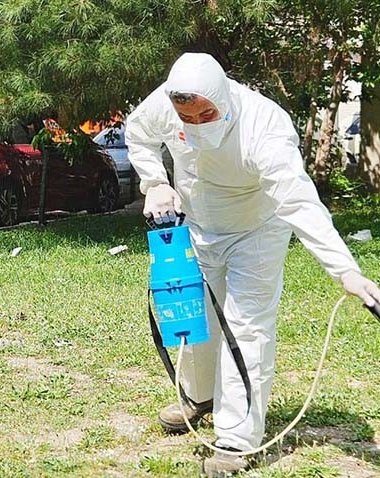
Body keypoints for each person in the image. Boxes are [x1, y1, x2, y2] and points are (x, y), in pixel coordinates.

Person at [125, 52, 380, 475]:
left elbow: (299, 201)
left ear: (224, 96)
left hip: (256, 231)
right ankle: (199, 395)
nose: (198, 123)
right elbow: (138, 133)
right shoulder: (166, 104)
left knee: (246, 326)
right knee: (196, 316)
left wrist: (346, 271)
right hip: (196, 226)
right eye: (188, 117)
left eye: (207, 114)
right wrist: (154, 182)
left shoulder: (266, 126)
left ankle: (236, 438)